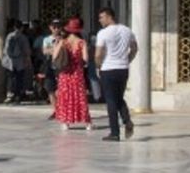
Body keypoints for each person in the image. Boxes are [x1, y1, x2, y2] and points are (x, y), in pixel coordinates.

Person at [93, 7, 136, 141]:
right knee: (118, 98)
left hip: (108, 69)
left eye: (101, 17)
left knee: (111, 101)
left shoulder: (103, 33)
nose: (100, 20)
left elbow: (99, 53)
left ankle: (114, 132)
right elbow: (134, 48)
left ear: (109, 16)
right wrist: (127, 60)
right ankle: (127, 121)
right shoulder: (127, 30)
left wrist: (98, 65)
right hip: (123, 69)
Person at [50, 17, 92, 129]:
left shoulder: (63, 42)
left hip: (65, 73)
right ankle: (87, 122)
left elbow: (54, 57)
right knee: (80, 96)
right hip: (77, 73)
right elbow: (86, 59)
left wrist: (56, 45)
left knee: (65, 96)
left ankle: (66, 122)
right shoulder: (82, 42)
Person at [1, 21, 32, 103]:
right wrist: (28, 60)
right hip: (20, 62)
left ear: (14, 27)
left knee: (10, 78)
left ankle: (9, 94)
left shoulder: (9, 36)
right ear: (21, 28)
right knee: (19, 78)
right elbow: (27, 50)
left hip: (9, 62)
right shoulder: (23, 37)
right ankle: (18, 95)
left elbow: (5, 49)